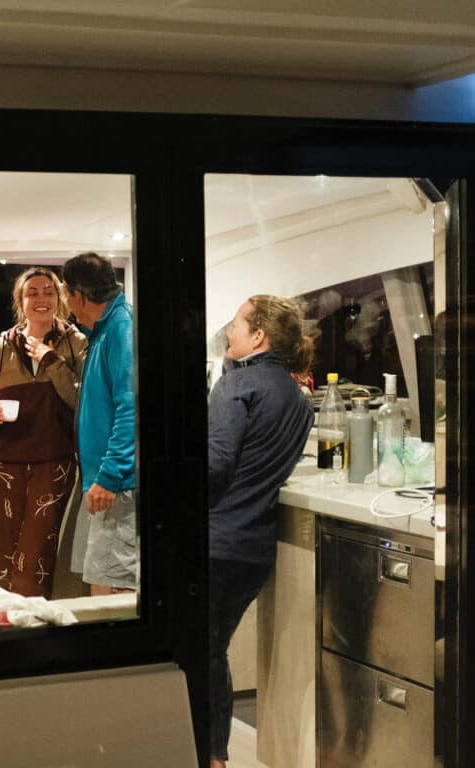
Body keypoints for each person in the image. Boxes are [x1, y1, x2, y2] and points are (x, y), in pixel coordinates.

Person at [207, 295, 314, 768]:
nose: (228, 331)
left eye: (235, 323)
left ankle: (209, 754)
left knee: (199, 653)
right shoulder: (299, 399)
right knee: (213, 649)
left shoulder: (236, 386)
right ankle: (215, 755)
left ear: (257, 337)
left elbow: (215, 464)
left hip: (214, 542)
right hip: (254, 549)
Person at [0, 267, 87, 597]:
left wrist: (51, 361)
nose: (40, 298)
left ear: (60, 298)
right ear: (20, 302)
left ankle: (32, 637)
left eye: (47, 291)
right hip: (3, 464)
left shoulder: (77, 345)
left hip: (53, 463)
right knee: (7, 565)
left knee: (32, 561)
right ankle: (15, 636)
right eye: (32, 292)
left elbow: (83, 400)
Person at [61, 252, 137, 595]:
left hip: (115, 485)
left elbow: (131, 408)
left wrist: (109, 476)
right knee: (101, 583)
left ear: (77, 294)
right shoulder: (103, 329)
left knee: (116, 594)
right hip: (102, 482)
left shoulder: (121, 328)